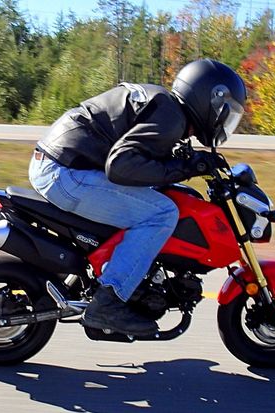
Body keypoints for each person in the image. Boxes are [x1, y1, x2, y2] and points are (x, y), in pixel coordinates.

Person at [29, 59, 247, 336]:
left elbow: (138, 155)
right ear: (210, 101)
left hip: (60, 166)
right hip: (65, 174)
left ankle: (118, 280)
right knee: (162, 214)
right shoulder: (171, 118)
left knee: (154, 200)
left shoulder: (166, 107)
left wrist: (186, 162)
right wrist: (187, 167)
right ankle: (109, 301)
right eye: (226, 113)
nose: (225, 121)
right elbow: (121, 167)